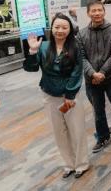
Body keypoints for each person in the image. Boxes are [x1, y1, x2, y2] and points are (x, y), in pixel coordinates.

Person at [24, 14, 89, 179]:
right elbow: (31, 68)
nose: (60, 30)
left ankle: (81, 163)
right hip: (49, 95)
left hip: (70, 96)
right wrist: (33, 51)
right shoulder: (43, 46)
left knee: (77, 130)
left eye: (64, 27)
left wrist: (70, 94)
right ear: (51, 28)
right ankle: (69, 164)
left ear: (70, 30)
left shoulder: (76, 47)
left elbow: (77, 72)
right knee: (58, 132)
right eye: (57, 27)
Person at [78, 1, 111, 153]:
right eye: (93, 11)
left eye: (99, 10)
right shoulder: (81, 34)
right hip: (92, 80)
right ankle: (103, 137)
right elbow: (81, 57)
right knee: (98, 112)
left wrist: (102, 72)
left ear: (104, 12)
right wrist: (93, 74)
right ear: (88, 13)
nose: (97, 13)